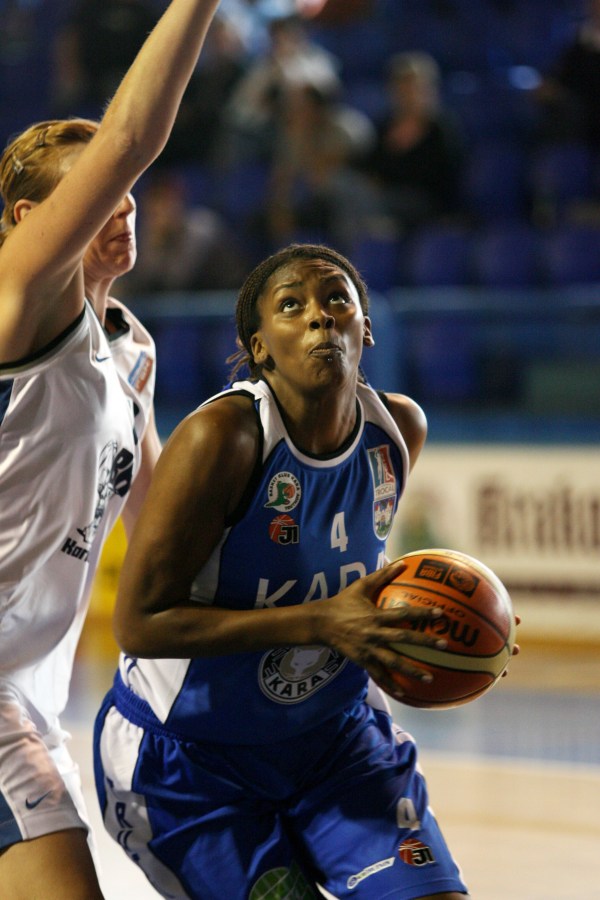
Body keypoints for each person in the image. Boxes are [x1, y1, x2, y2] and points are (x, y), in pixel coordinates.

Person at [93, 241, 475, 899]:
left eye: (337, 300)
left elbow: (359, 575)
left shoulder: (398, 429)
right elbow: (139, 625)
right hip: (191, 758)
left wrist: (461, 635)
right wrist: (320, 622)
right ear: (260, 347)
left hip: (337, 741)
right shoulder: (223, 437)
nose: (320, 315)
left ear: (365, 328)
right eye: (291, 306)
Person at [0, 1, 222, 897]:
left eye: (125, 194)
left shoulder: (131, 350)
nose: (123, 203)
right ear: (29, 218)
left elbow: (168, 533)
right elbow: (131, 136)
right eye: (97, 194)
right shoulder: (16, 304)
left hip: (33, 691)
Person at [361, 51, 466, 235]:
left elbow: (447, 176)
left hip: (426, 204)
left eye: (413, 87)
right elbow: (372, 168)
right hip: (384, 200)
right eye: (401, 87)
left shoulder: (441, 129)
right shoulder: (384, 125)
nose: (407, 94)